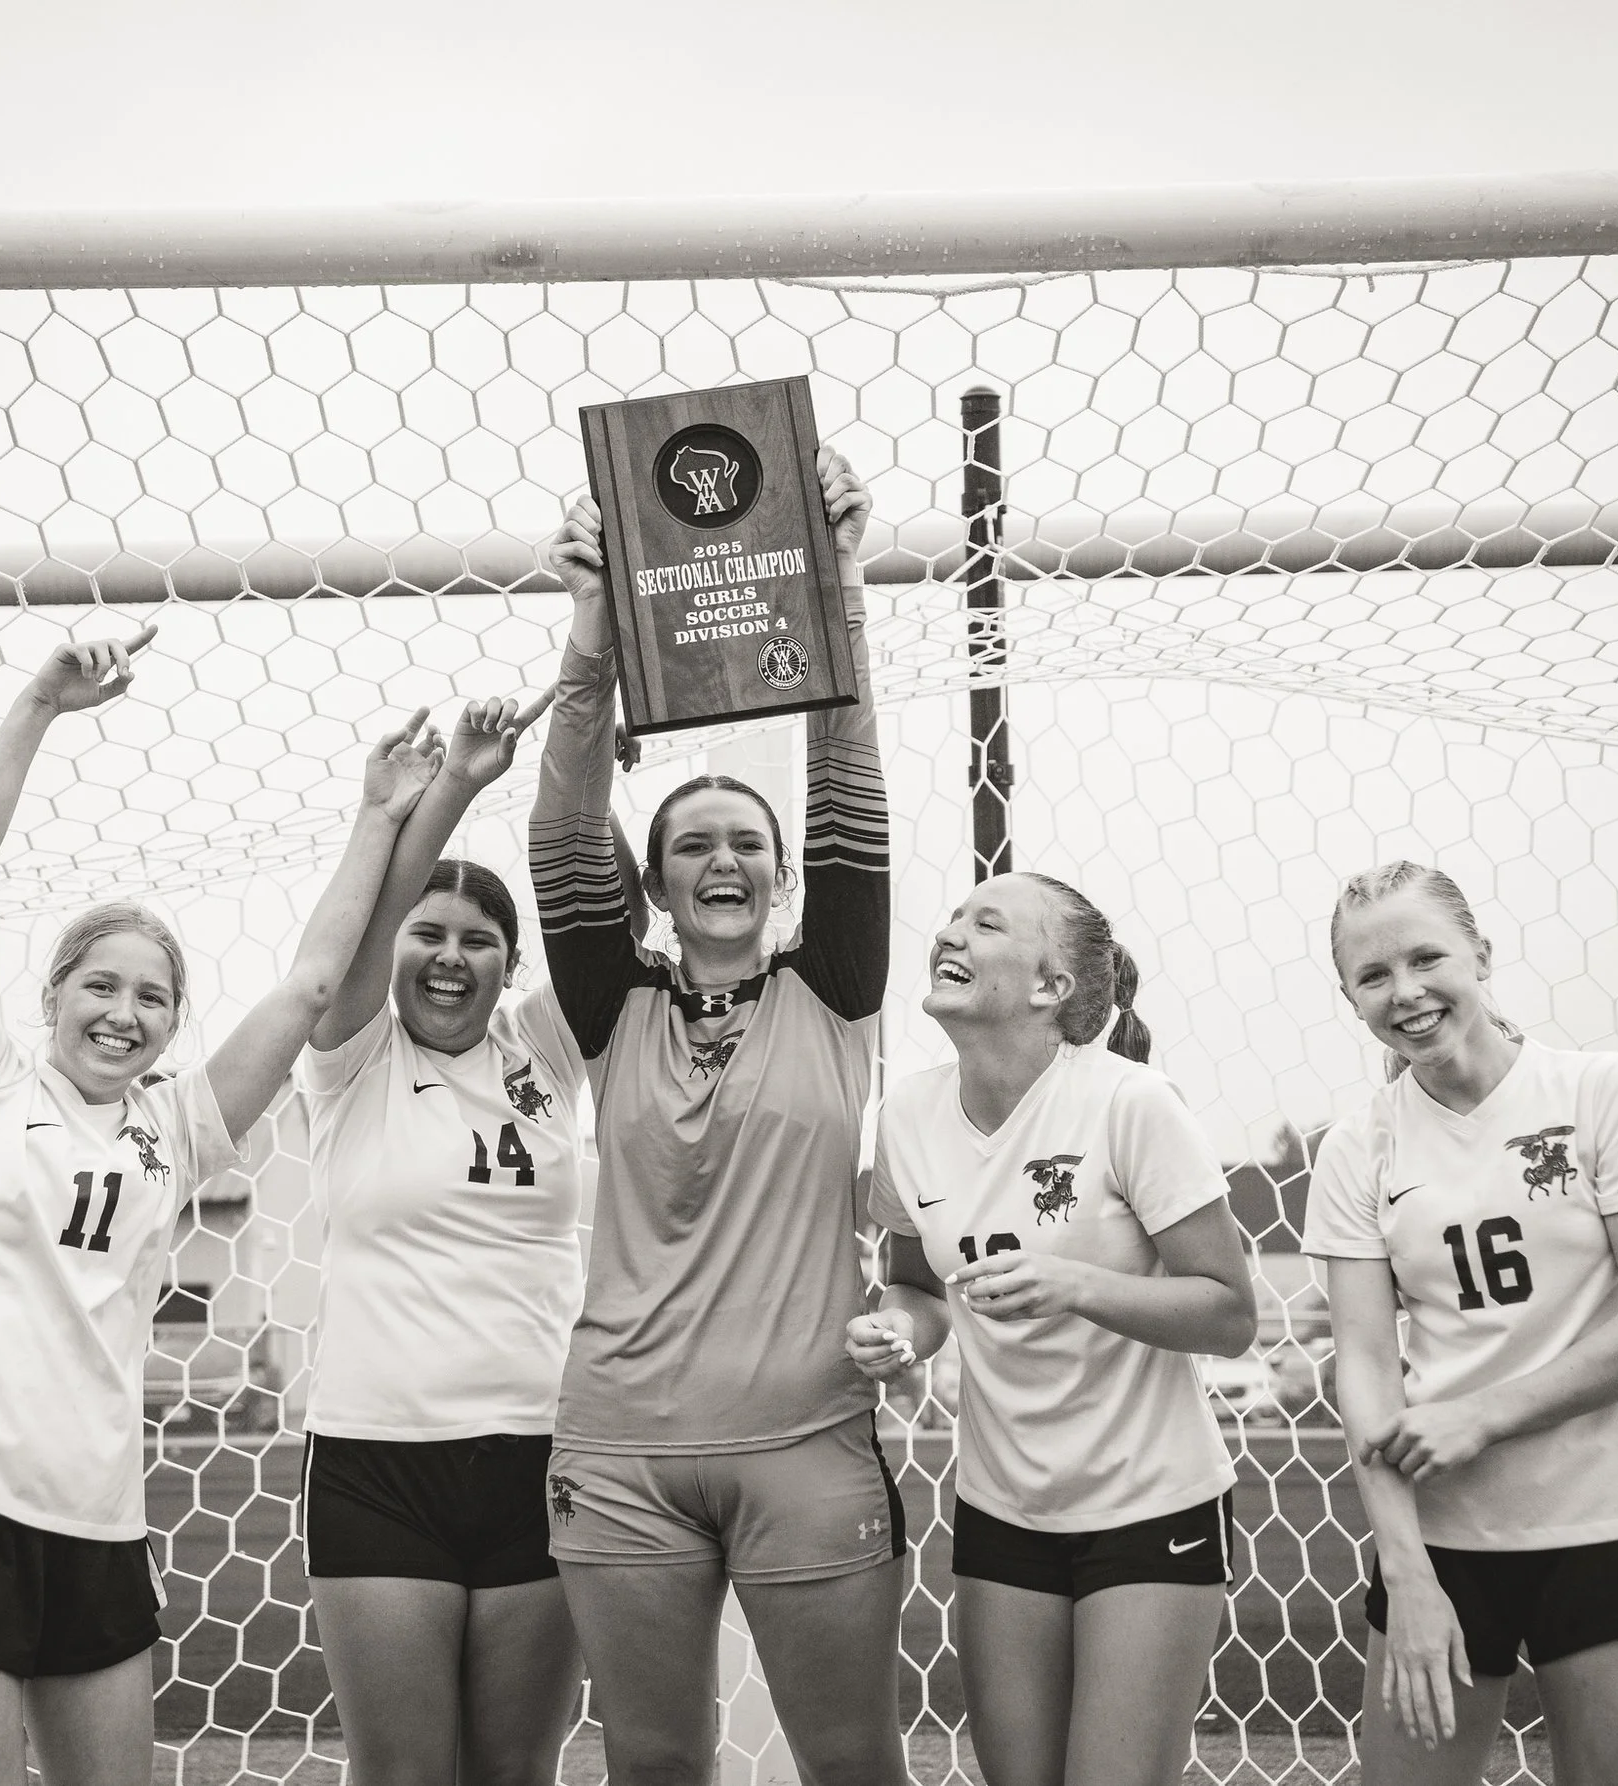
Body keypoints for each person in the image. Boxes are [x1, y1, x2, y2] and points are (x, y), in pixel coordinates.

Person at [0, 623, 443, 1786]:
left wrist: (378, 815)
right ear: (53, 994)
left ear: (172, 1023)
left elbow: (313, 984)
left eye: (153, 998)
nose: (124, 1013)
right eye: (101, 985)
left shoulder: (176, 1126)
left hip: (98, 1519)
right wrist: (40, 703)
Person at [532, 447, 906, 1786]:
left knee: (851, 1762)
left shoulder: (835, 984)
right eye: (691, 843)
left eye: (748, 841)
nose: (724, 858)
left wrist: (840, 580)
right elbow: (561, 827)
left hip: (807, 1442)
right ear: (654, 886)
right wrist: (590, 629)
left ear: (788, 873)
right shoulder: (610, 1004)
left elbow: (850, 775)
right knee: (653, 1763)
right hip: (620, 1450)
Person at [1300, 862, 1618, 1786]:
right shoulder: (1358, 1147)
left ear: (1480, 956)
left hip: (1606, 1522)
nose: (1405, 992)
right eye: (1373, 976)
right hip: (1441, 1542)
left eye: (1426, 958)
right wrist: (1405, 1570)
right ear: (1351, 997)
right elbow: (1364, 1366)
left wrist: (1483, 1415)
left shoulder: (1600, 1091)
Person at [849, 872, 1257, 1786]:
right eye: (954, 917)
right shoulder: (906, 1113)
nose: (951, 933)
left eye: (987, 923)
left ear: (1051, 987)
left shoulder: (1131, 1103)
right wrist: (899, 1330)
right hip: (1002, 1509)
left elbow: (1231, 1314)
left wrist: (1073, 1284)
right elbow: (918, 1288)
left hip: (1151, 1507)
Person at [294, 690, 601, 1786]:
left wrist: (586, 739)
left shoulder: (546, 1052)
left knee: (512, 1774)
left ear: (510, 965)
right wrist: (455, 785)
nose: (449, 957)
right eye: (428, 934)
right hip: (376, 1463)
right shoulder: (350, 1059)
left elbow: (602, 917)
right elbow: (366, 925)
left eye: (479, 941)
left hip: (541, 1454)